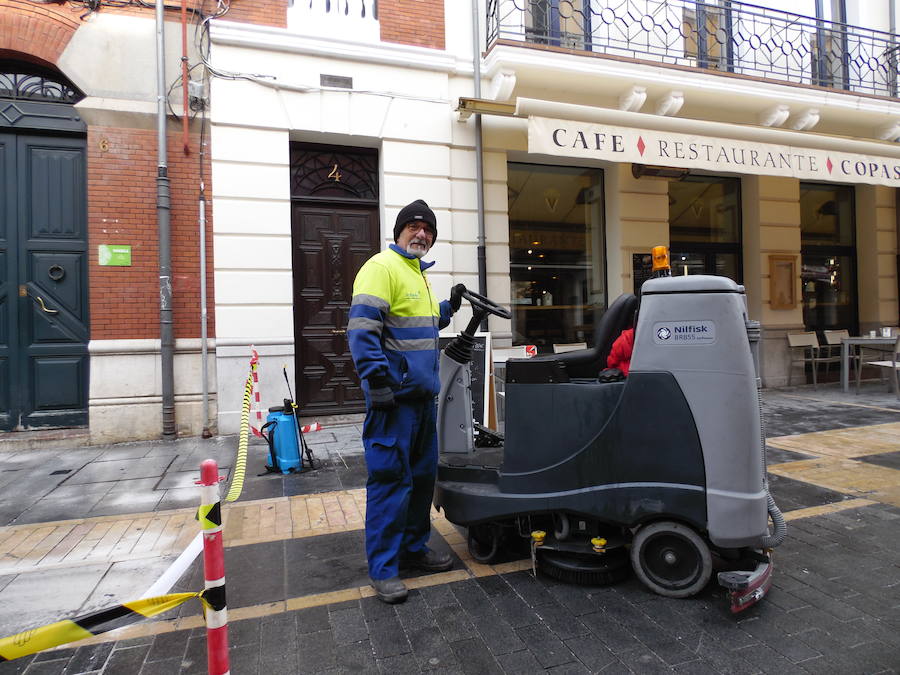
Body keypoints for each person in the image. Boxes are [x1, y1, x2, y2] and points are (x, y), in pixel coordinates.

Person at [347, 199, 465, 604]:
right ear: (398, 232)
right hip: (392, 403)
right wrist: (376, 382)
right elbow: (362, 328)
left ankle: (413, 549)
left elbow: (426, 325)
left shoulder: (418, 274)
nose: (421, 233)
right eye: (413, 226)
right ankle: (383, 569)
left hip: (420, 402)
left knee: (420, 482)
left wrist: (450, 307)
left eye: (428, 229)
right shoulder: (381, 268)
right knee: (389, 482)